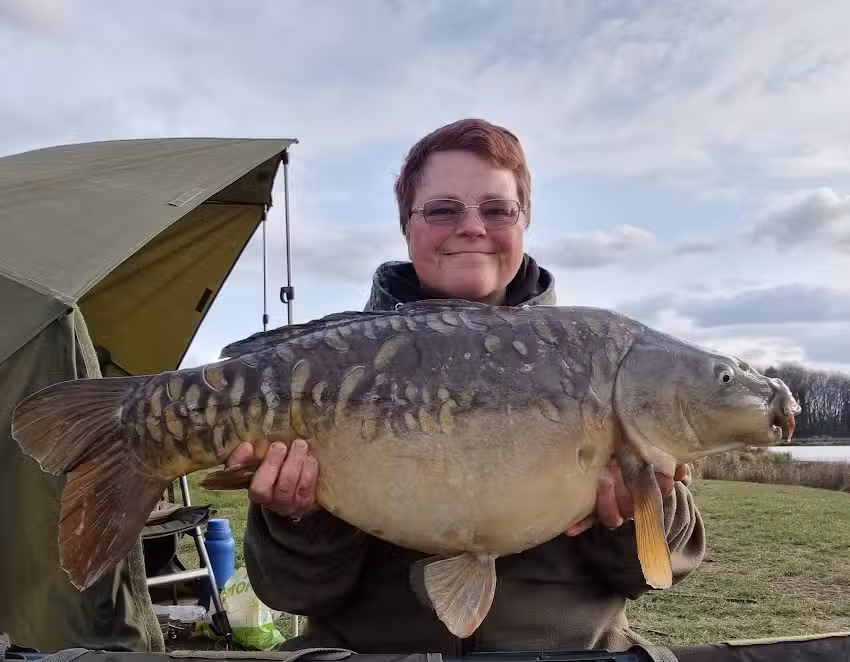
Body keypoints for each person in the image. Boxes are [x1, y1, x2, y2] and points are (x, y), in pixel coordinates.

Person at [225, 118, 706, 654]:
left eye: (497, 210)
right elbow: (292, 590)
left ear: (524, 222)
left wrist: (633, 511)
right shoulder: (325, 373)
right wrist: (300, 515)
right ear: (407, 226)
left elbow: (656, 573)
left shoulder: (605, 364)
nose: (472, 226)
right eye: (443, 209)